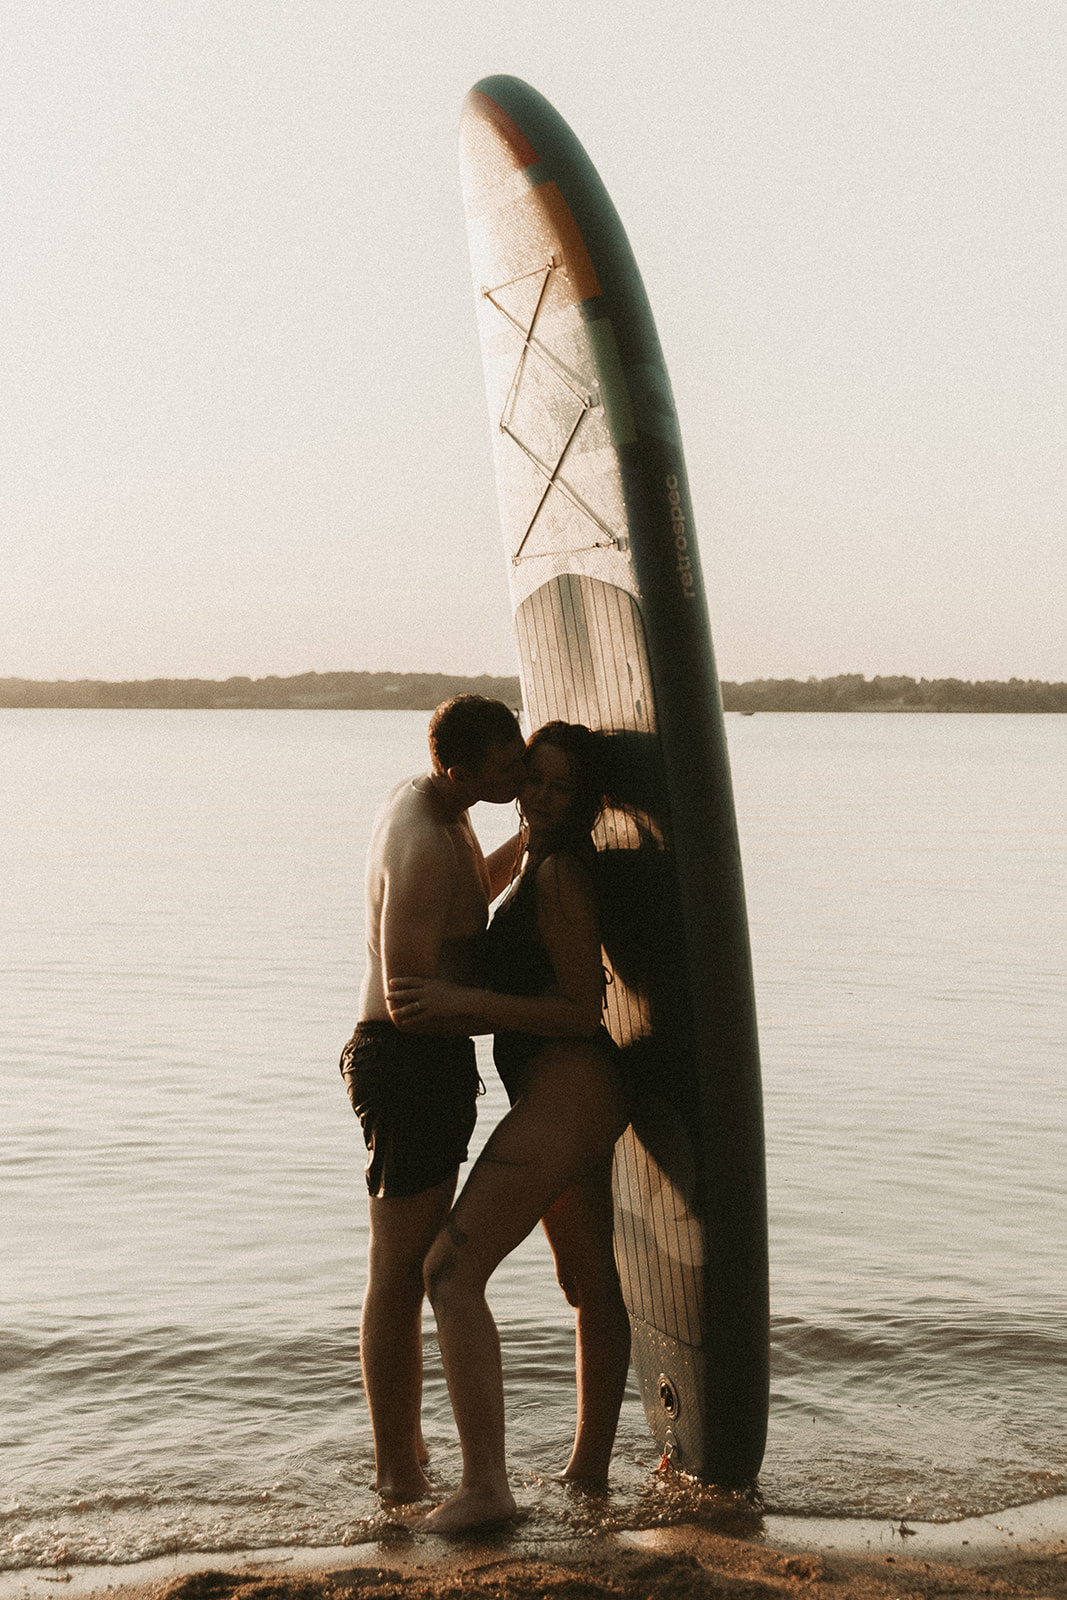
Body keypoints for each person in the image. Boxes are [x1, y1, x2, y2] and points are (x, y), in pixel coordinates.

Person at [388, 721, 631, 1532]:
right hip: (566, 1093)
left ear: (586, 801)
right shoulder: (534, 855)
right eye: (531, 778)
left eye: (557, 787)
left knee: (448, 1273)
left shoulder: (561, 872)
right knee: (585, 1282)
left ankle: (485, 1490)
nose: (536, 795)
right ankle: (588, 1476)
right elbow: (488, 884)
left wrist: (464, 1003)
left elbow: (577, 1008)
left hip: (569, 1088)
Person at [339, 694, 526, 1502]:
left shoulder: (439, 802)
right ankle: (395, 1472)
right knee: (398, 1272)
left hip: (430, 1067)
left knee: (411, 1267)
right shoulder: (419, 834)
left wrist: (532, 843)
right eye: (507, 767)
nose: (518, 775)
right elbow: (410, 991)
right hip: (407, 1062)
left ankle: (406, 1458)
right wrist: (535, 1009)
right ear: (460, 769)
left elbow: (466, 896)